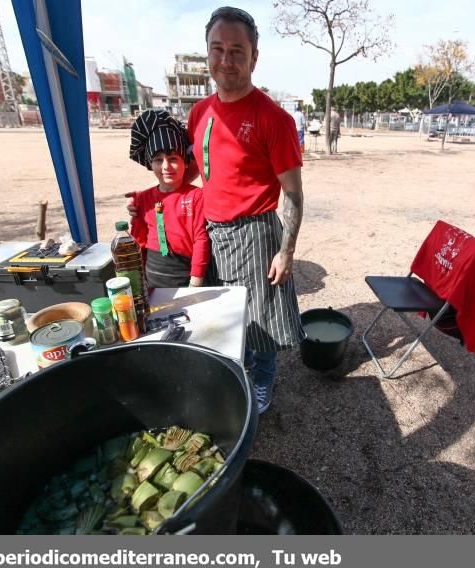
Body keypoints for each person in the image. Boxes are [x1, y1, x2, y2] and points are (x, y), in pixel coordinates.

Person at [130, 6, 304, 414]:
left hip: (256, 231)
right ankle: (235, 374)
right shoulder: (199, 111)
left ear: (254, 57)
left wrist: (287, 250)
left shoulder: (273, 119)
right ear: (207, 53)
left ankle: (262, 380)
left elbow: (293, 192)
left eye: (237, 51)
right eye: (217, 49)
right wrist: (152, 196)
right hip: (211, 229)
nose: (226, 60)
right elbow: (191, 169)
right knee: (221, 317)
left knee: (261, 322)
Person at [126, 110, 209, 288]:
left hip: (185, 276)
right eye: (158, 160)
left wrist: (195, 282)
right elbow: (138, 239)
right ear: (150, 164)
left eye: (173, 158)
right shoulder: (143, 198)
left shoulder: (196, 196)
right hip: (152, 278)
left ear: (186, 162)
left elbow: (201, 240)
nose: (166, 166)